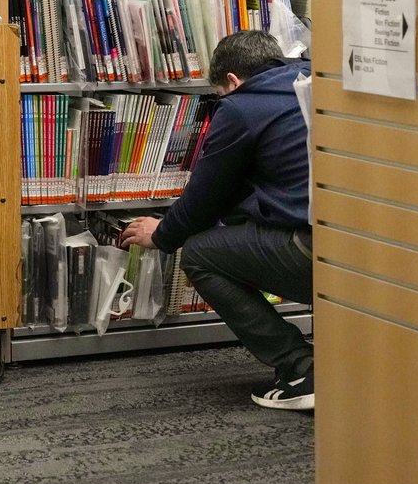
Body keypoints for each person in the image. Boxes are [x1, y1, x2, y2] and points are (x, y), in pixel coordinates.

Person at [118, 30, 314, 411]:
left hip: (312, 255)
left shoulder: (240, 107)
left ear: (233, 81)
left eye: (219, 93)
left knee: (199, 253)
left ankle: (299, 367)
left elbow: (203, 199)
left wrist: (162, 235)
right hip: (362, 251)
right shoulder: (308, 77)